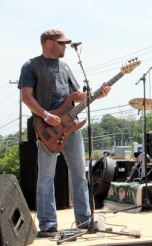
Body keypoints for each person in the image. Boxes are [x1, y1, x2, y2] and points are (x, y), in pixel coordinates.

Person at [18, 29, 111, 233]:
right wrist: (45, 115)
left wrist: (96, 95)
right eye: (61, 43)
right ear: (48, 43)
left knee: (79, 173)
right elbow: (26, 97)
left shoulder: (66, 66)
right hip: (47, 128)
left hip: (71, 126)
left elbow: (75, 96)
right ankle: (48, 223)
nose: (65, 47)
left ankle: (84, 220)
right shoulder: (31, 66)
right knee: (46, 177)